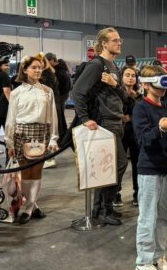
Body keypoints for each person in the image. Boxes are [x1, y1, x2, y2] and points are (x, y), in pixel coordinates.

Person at [71, 27, 128, 226]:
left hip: (116, 121)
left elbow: (124, 96)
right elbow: (77, 92)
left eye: (119, 40)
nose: (119, 43)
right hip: (104, 123)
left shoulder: (115, 67)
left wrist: (114, 84)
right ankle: (105, 208)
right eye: (114, 40)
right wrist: (85, 118)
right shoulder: (97, 65)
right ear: (104, 43)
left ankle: (99, 209)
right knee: (118, 164)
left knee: (110, 167)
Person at [132, 65, 167, 270]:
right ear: (145, 84)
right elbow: (143, 139)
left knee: (163, 217)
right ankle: (143, 263)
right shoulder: (140, 108)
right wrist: (161, 127)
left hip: (166, 166)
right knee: (147, 216)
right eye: (156, 83)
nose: (161, 88)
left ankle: (158, 257)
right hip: (148, 168)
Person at [5, 54, 59, 224]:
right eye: (34, 67)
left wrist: (53, 138)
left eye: (39, 67)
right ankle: (32, 205)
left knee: (36, 172)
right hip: (21, 134)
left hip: (40, 133)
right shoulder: (16, 92)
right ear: (25, 69)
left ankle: (29, 207)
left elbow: (53, 116)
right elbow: (11, 118)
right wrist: (9, 142)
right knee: (25, 173)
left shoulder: (47, 91)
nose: (37, 70)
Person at [117, 65, 142, 206]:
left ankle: (137, 193)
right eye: (127, 75)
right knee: (119, 164)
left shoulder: (138, 95)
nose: (131, 78)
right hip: (120, 132)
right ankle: (116, 193)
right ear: (121, 77)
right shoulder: (116, 92)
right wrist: (121, 117)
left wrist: (131, 116)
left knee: (137, 164)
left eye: (133, 75)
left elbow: (142, 111)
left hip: (135, 133)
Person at [45, 53, 70, 140]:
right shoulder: (63, 71)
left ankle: (60, 136)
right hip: (61, 96)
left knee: (58, 116)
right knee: (60, 115)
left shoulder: (57, 72)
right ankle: (62, 134)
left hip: (58, 96)